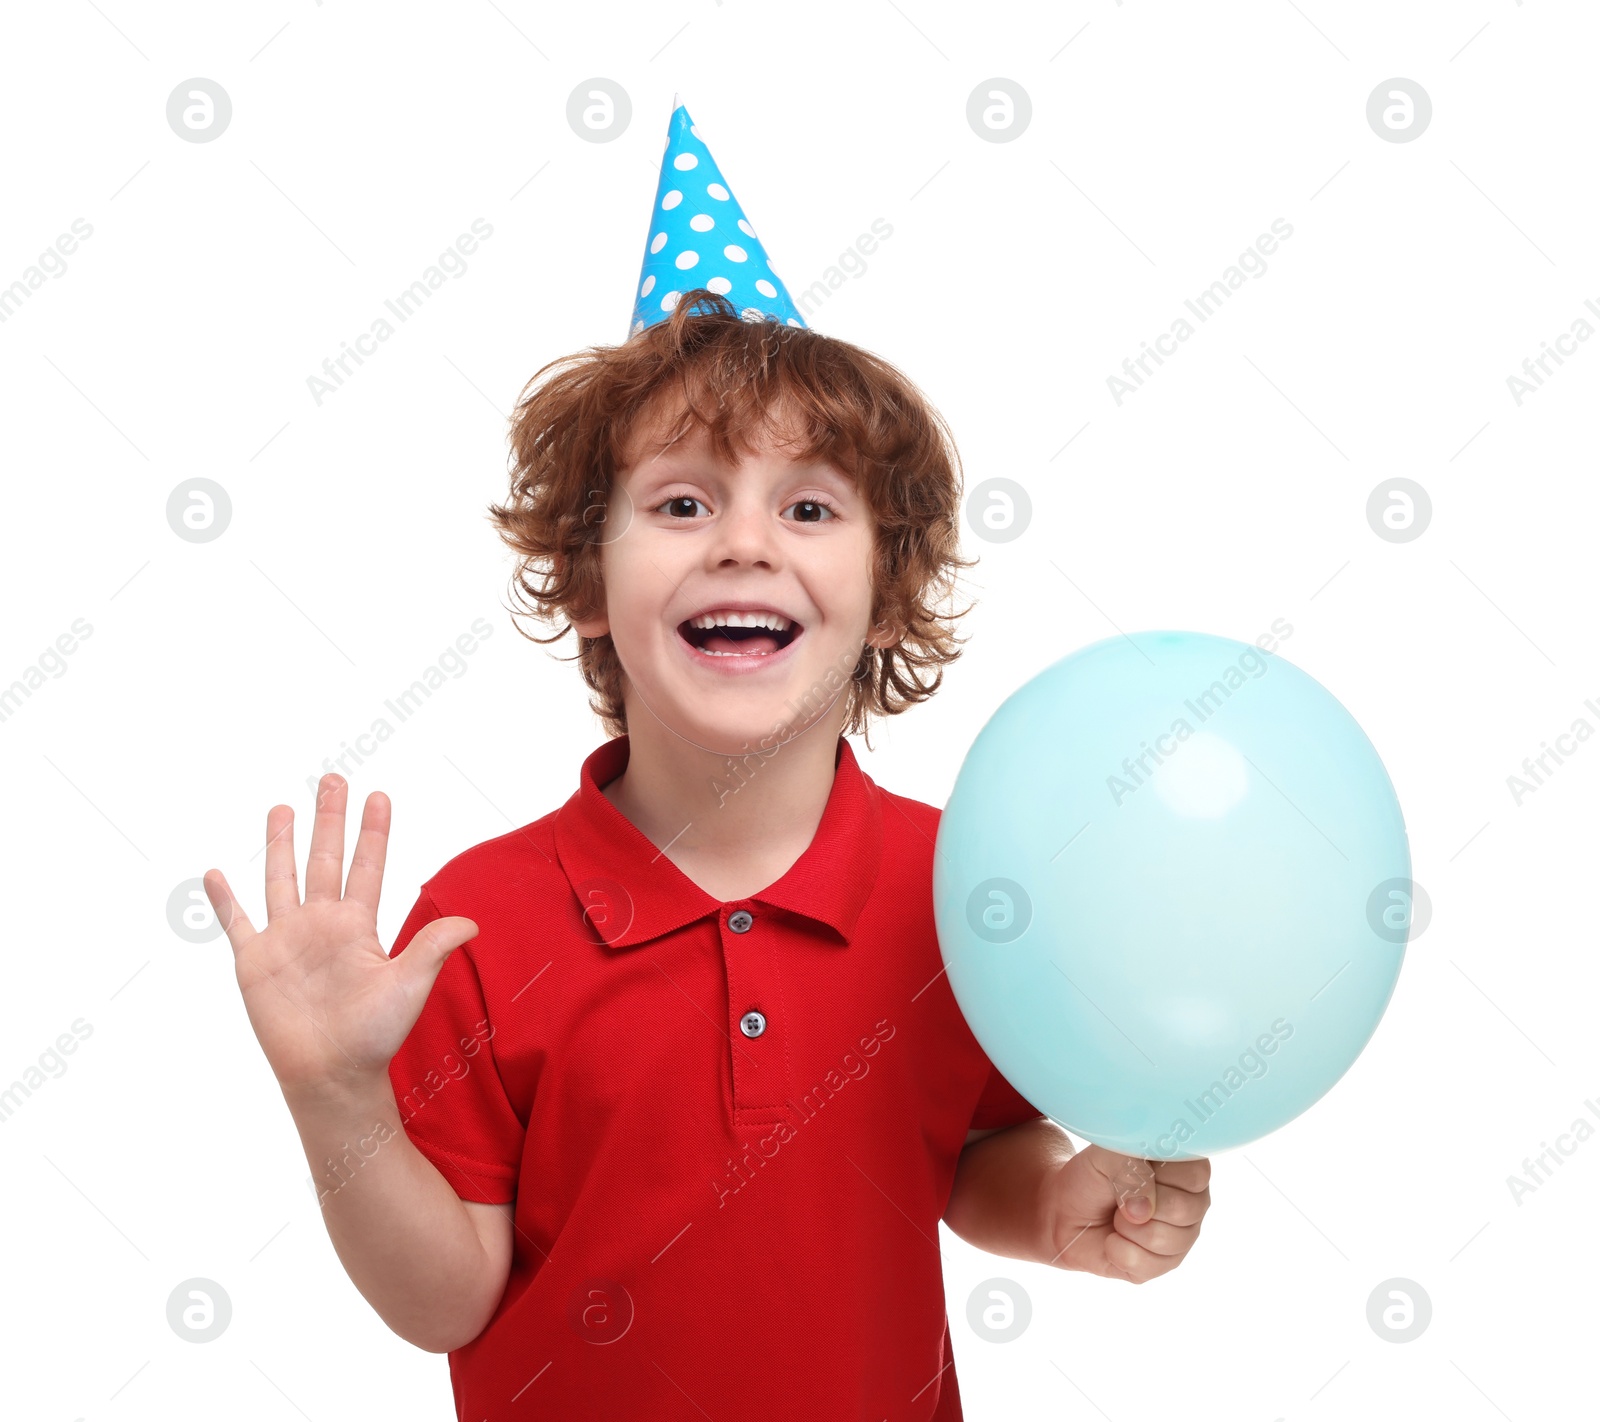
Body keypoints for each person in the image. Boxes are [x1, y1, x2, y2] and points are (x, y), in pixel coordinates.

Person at [202, 102, 1209, 1422]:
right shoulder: (483, 922)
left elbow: (979, 1143)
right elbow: (445, 1300)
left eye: (807, 506)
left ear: (887, 588)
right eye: (682, 502)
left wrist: (1070, 1206)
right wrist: (337, 1100)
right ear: (585, 580)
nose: (742, 542)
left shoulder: (961, 880)